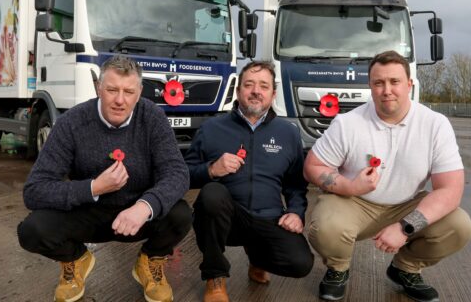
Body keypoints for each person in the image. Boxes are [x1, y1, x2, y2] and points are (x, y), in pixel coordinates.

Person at [17, 56, 191, 302]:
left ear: (139, 92)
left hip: (136, 214)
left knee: (181, 214)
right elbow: (34, 191)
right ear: (99, 87)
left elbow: (177, 172)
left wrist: (145, 206)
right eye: (111, 90)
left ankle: (150, 261)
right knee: (32, 230)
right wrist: (93, 187)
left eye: (129, 92)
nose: (120, 100)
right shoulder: (72, 122)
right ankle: (75, 259)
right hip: (88, 213)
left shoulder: (152, 118)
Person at [304, 50, 471, 302]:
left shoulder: (435, 124)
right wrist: (349, 186)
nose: (387, 90)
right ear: (370, 86)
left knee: (459, 226)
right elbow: (313, 166)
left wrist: (405, 228)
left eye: (394, 82)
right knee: (324, 224)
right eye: (378, 83)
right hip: (354, 202)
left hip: (406, 204)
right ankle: (338, 269)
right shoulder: (348, 123)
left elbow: (451, 190)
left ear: (409, 84)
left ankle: (405, 269)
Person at [185, 61, 314, 302]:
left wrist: (296, 212)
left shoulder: (288, 132)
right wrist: (211, 169)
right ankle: (215, 277)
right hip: (227, 218)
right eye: (249, 85)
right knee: (212, 194)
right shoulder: (212, 128)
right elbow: (185, 174)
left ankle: (257, 258)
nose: (256, 91)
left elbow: (296, 184)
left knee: (301, 264)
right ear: (238, 91)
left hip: (269, 218)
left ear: (273, 94)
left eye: (263, 86)